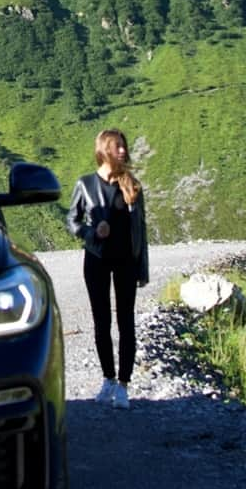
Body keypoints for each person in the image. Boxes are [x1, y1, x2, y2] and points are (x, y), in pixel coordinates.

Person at [66, 128, 149, 408]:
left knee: (126, 322)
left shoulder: (132, 186)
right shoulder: (85, 184)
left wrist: (143, 269)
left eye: (124, 146)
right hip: (96, 260)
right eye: (117, 147)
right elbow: (72, 221)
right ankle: (107, 379)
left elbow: (142, 232)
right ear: (104, 150)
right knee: (102, 322)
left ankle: (124, 386)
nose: (123, 151)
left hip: (126, 261)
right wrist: (91, 233)